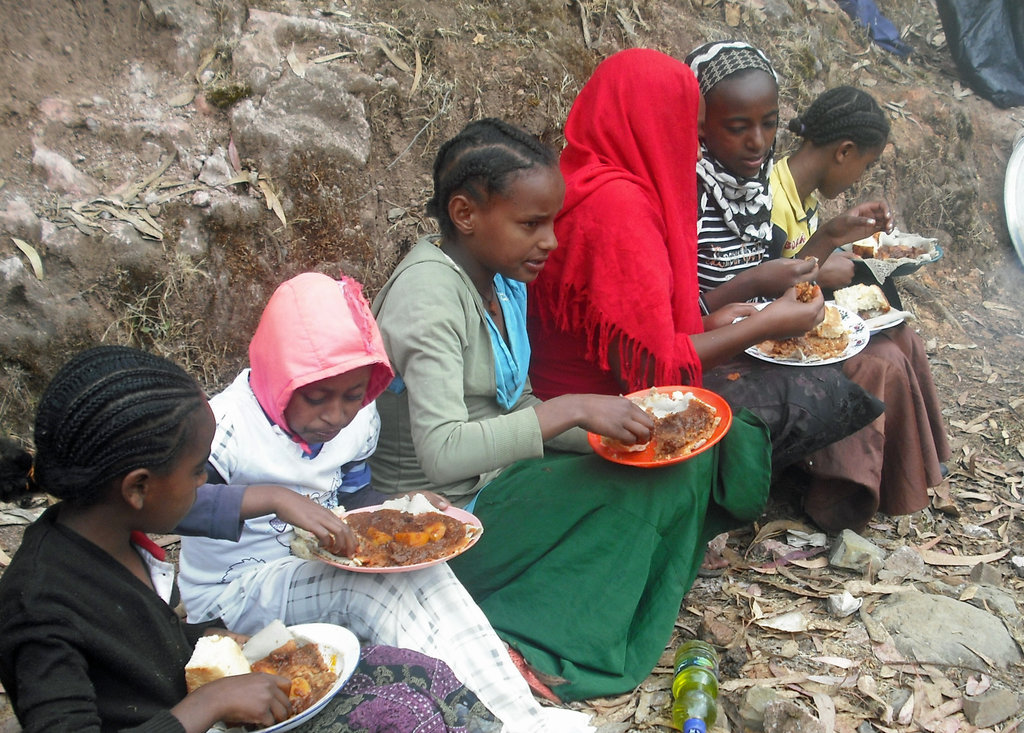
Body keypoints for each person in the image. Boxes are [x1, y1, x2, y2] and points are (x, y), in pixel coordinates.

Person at [369, 117, 773, 701]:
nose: (550, 242)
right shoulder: (427, 299)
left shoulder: (501, 278)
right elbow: (443, 452)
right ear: (464, 214)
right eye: (531, 224)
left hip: (498, 480)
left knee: (683, 453)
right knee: (641, 490)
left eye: (552, 221)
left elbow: (513, 401)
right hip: (441, 525)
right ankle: (540, 637)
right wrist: (574, 412)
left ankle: (627, 590)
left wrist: (612, 439)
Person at [0, 345, 499, 733]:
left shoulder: (115, 536)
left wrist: (218, 641)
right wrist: (208, 704)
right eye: (199, 471)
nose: (206, 484)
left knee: (410, 674)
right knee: (401, 718)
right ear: (137, 488)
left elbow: (146, 649)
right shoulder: (40, 609)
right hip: (195, 718)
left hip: (207, 708)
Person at [176, 272, 589, 733]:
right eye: (315, 398)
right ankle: (482, 719)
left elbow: (354, 498)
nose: (335, 415)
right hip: (234, 591)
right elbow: (177, 509)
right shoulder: (226, 428)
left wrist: (402, 507)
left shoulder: (355, 423)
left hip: (308, 567)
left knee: (425, 569)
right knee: (377, 592)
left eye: (353, 396)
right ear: (278, 377)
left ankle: (520, 716)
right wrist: (272, 498)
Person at [526, 48, 883, 475]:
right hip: (595, 424)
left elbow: (636, 326)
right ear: (650, 125)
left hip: (599, 395)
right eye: (690, 135)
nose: (698, 154)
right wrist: (765, 325)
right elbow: (650, 370)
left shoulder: (591, 178)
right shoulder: (615, 210)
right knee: (813, 392)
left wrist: (709, 313)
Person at [768, 86, 951, 530]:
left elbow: (806, 256)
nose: (859, 175)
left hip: (798, 319)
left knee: (903, 335)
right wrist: (820, 263)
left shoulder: (804, 197)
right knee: (883, 361)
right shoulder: (772, 198)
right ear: (843, 151)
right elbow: (772, 283)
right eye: (864, 165)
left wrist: (837, 236)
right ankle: (839, 499)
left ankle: (922, 469)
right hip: (773, 338)